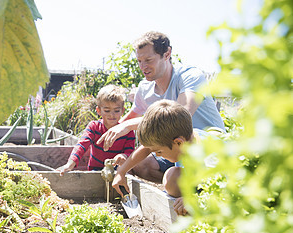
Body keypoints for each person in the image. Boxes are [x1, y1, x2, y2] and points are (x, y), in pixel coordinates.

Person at [97, 31, 225, 183]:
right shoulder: (145, 89)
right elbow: (125, 121)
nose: (143, 67)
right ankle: (175, 188)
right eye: (139, 61)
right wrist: (95, 136)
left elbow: (179, 117)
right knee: (141, 165)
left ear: (167, 54)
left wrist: (127, 126)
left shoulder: (190, 77)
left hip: (204, 149)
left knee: (171, 174)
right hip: (169, 147)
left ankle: (192, 189)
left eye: (148, 60)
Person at [112, 100, 213, 216]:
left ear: (178, 142)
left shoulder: (209, 156)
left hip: (222, 192)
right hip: (200, 181)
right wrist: (121, 171)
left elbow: (226, 190)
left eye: (159, 151)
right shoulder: (184, 140)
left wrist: (196, 199)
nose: (157, 155)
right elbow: (147, 148)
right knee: (172, 177)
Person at [57, 84, 135, 175]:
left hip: (118, 171)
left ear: (122, 111)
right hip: (95, 171)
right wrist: (70, 164)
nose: (112, 115)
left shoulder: (127, 131)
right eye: (107, 111)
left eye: (116, 111)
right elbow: (81, 145)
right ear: (99, 111)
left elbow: (130, 152)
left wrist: (124, 156)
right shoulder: (94, 127)